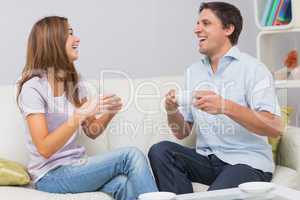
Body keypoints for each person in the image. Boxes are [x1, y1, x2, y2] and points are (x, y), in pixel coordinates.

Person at [16, 16, 157, 200]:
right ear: (53, 42)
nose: (77, 39)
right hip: (49, 175)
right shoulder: (33, 88)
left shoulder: (74, 82)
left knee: (123, 184)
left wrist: (110, 112)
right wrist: (80, 114)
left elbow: (92, 131)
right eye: (69, 34)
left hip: (76, 166)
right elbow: (44, 148)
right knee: (131, 156)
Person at [148, 2, 283, 194]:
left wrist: (224, 106)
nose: (196, 30)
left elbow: (274, 127)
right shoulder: (193, 72)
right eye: (197, 23)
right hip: (208, 160)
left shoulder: (253, 69)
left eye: (206, 23)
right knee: (161, 151)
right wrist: (171, 109)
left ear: (228, 29)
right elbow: (182, 132)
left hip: (247, 162)